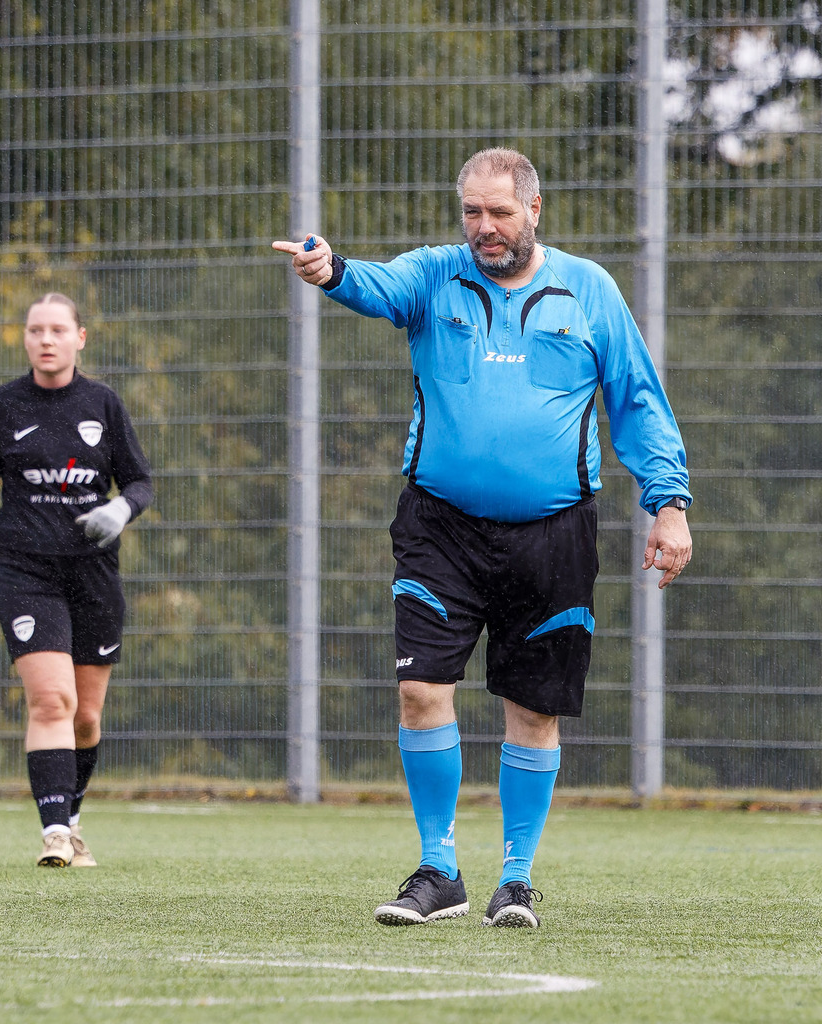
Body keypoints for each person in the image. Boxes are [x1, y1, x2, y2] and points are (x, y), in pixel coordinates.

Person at [273, 148, 692, 928]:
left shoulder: (589, 290)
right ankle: (439, 871)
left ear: (536, 209)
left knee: (532, 710)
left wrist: (668, 502)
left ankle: (517, 879)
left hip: (555, 534)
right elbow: (376, 284)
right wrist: (331, 270)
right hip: (440, 527)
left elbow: (637, 399)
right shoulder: (436, 275)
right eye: (472, 211)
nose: (484, 228)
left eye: (500, 212)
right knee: (419, 689)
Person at [0, 293, 153, 868]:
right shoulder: (3, 407)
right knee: (51, 699)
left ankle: (71, 819)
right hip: (25, 569)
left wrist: (119, 511)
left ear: (80, 338)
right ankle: (53, 833)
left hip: (94, 572)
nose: (45, 340)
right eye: (34, 330)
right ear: (24, 340)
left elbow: (141, 482)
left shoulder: (103, 403)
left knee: (86, 716)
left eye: (57, 330)